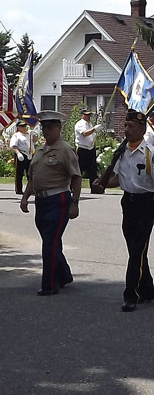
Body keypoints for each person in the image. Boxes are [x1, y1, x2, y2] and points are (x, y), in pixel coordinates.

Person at [92, 109, 154, 312]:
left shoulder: (152, 153)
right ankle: (147, 289)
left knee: (136, 251)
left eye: (131, 126)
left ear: (142, 129)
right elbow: (117, 179)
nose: (126, 129)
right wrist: (102, 184)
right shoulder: (121, 152)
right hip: (128, 203)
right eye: (125, 125)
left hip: (146, 204)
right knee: (136, 250)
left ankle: (130, 295)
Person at [19, 111, 82, 296]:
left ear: (58, 128)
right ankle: (64, 274)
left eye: (50, 127)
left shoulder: (65, 150)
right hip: (41, 201)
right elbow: (32, 178)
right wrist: (25, 197)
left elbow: (76, 177)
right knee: (51, 241)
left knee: (49, 242)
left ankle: (49, 284)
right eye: (44, 127)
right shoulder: (40, 151)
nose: (46, 130)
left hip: (58, 199)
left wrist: (75, 202)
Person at [74, 108, 100, 185]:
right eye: (86, 115)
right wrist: (94, 129)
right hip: (82, 149)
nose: (88, 117)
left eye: (89, 115)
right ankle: (73, 187)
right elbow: (84, 133)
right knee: (79, 170)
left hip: (90, 149)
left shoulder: (89, 124)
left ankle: (94, 187)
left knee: (93, 171)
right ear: (82, 115)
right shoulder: (80, 124)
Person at [10, 120, 34, 195]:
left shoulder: (28, 135)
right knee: (19, 173)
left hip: (29, 154)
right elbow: (13, 146)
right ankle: (19, 189)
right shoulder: (16, 135)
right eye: (22, 126)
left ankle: (31, 189)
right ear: (18, 127)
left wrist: (34, 135)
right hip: (21, 154)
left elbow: (34, 141)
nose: (24, 127)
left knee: (30, 173)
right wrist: (18, 153)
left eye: (24, 126)